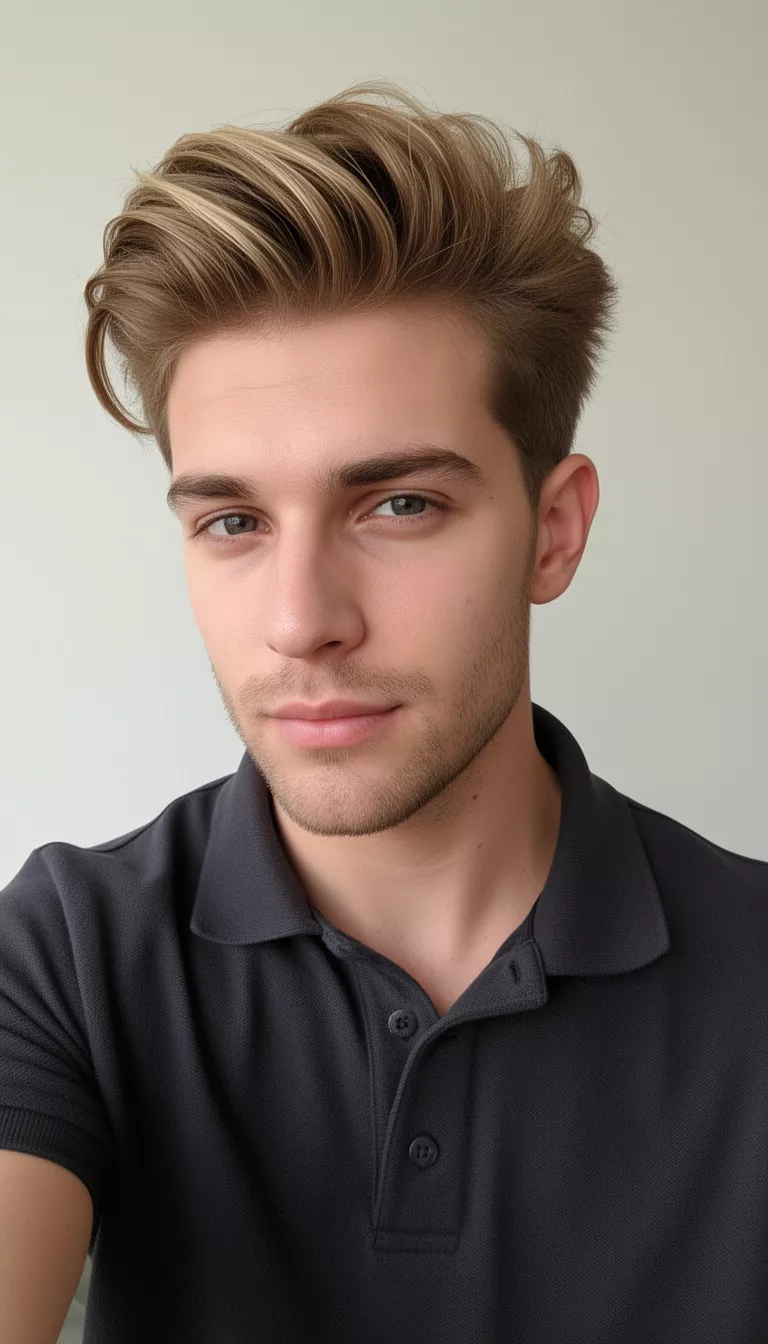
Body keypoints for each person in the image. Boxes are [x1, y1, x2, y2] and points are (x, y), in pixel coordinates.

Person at [1, 79, 766, 1344]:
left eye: (396, 504)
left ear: (554, 530)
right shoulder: (68, 958)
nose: (302, 618)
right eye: (234, 522)